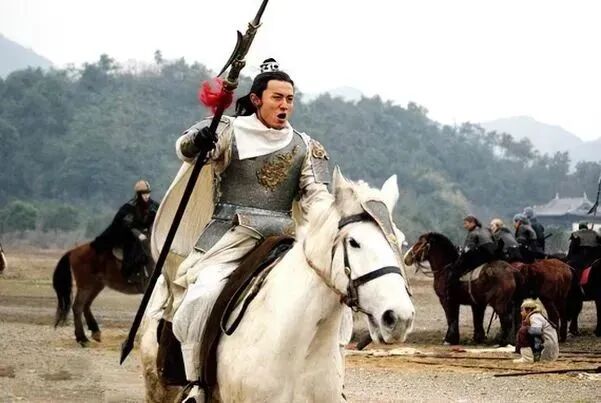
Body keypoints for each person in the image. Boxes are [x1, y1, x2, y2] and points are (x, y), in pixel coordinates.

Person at [151, 59, 333, 396]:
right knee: (201, 297)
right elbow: (187, 150)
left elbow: (317, 196)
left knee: (330, 298)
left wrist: (333, 219)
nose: (284, 105)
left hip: (284, 241)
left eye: (290, 99)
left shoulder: (306, 146)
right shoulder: (228, 130)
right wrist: (200, 139)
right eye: (277, 97)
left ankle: (327, 386)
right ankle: (197, 384)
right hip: (229, 236)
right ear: (256, 99)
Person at [91, 180, 159, 281]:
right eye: (144, 193)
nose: (146, 196)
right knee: (134, 249)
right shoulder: (129, 207)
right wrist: (138, 234)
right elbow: (127, 225)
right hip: (131, 234)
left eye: (148, 193)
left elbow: (159, 219)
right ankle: (132, 274)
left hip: (149, 233)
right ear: (138, 194)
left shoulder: (154, 206)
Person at [446, 216, 497, 299]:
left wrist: (460, 258)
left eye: (466, 224)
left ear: (472, 223)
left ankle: (452, 293)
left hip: (482, 255)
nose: (464, 226)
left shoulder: (472, 233)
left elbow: (467, 249)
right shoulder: (486, 229)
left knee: (456, 269)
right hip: (493, 255)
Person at [514, 299, 559, 363]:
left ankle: (527, 358)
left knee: (523, 331)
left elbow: (536, 331)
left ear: (529, 310)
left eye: (522, 310)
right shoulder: (536, 316)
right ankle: (533, 356)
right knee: (526, 330)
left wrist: (525, 326)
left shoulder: (535, 317)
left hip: (547, 350)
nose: (521, 313)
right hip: (549, 348)